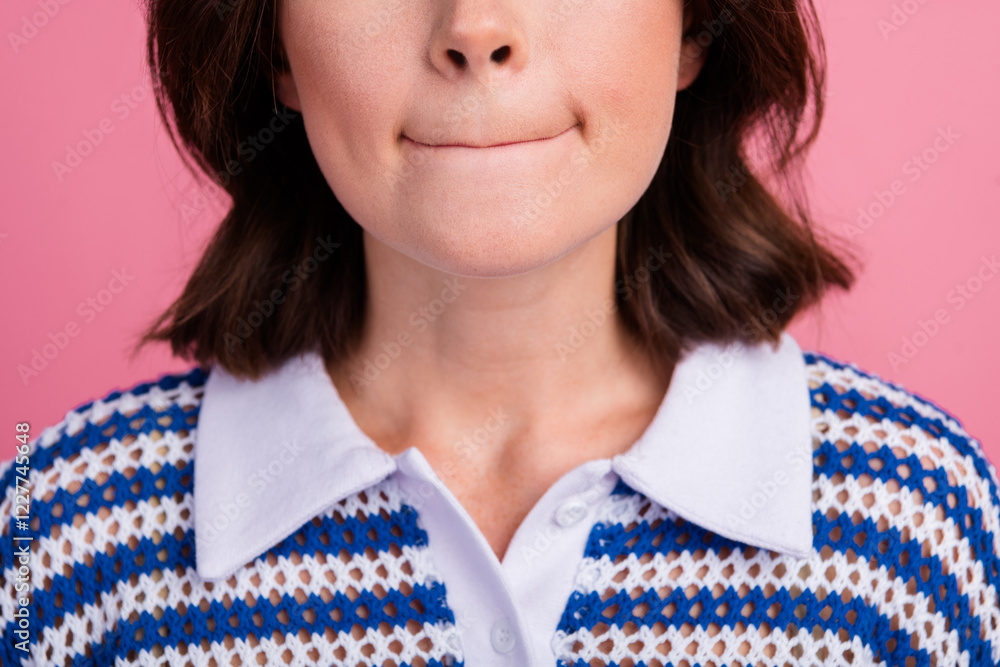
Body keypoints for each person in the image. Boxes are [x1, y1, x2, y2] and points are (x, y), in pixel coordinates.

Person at [2, 0, 998, 664]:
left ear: (693, 26)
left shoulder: (906, 524)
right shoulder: (65, 538)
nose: (474, 29)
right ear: (274, 45)